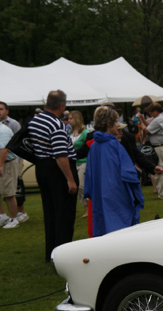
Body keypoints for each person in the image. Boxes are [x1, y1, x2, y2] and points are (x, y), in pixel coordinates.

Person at [30, 90, 78, 261]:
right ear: (62, 105)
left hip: (42, 166)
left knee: (50, 212)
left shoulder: (35, 120)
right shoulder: (56, 124)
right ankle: (63, 255)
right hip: (58, 169)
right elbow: (60, 154)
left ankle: (51, 252)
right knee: (64, 213)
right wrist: (70, 179)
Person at [84, 106, 143, 236]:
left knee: (103, 227)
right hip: (117, 195)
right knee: (120, 228)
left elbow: (89, 176)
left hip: (100, 195)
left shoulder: (94, 147)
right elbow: (129, 174)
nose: (118, 125)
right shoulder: (114, 145)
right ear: (109, 124)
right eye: (116, 122)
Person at [0, 110, 25, 228]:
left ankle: (13, 219)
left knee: (8, 193)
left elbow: (4, 150)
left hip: (5, 164)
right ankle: (2, 216)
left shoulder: (2, 131)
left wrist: (0, 166)